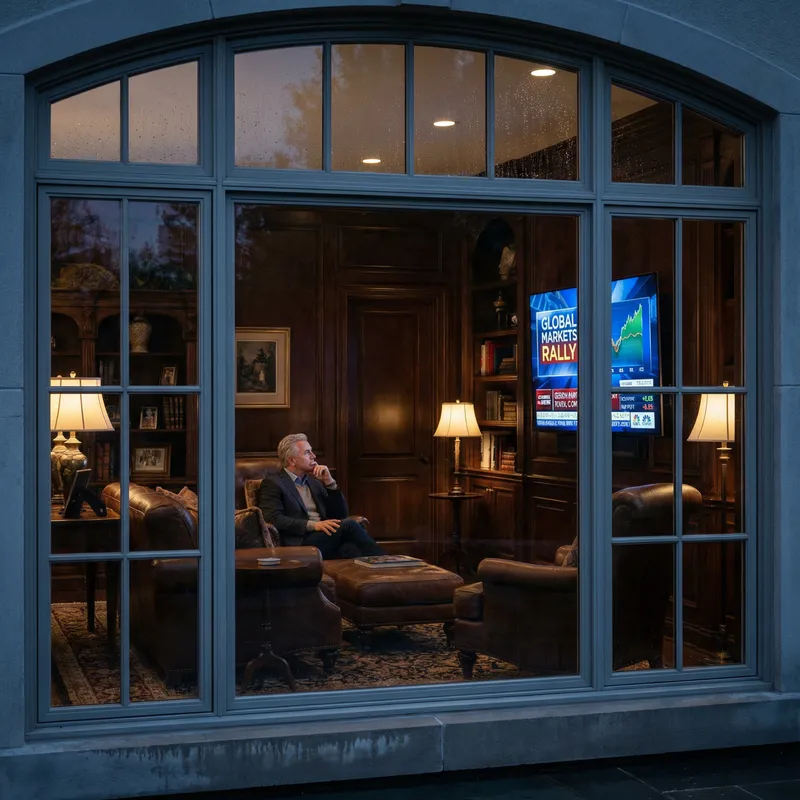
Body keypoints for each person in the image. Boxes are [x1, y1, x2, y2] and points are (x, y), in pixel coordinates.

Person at [259, 433, 384, 560]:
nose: (313, 456)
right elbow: (273, 518)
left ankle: (381, 576)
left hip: (324, 538)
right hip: (301, 541)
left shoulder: (314, 483)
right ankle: (388, 562)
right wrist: (313, 525)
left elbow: (340, 515)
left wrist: (330, 483)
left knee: (351, 549)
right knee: (350, 525)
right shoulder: (274, 483)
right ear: (292, 460)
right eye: (307, 452)